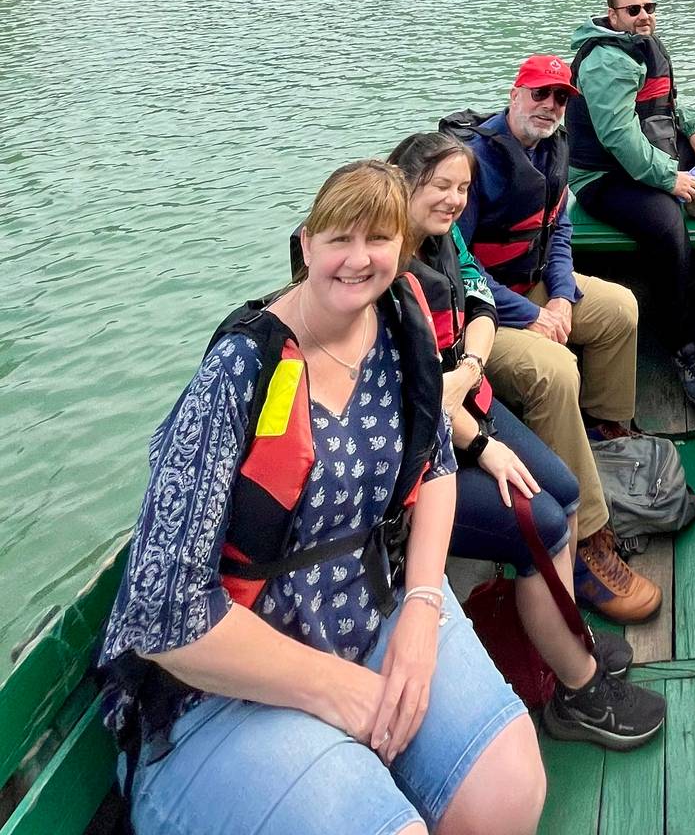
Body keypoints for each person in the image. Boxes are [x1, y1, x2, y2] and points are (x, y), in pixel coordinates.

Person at [98, 160, 546, 835]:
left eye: (379, 240)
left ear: (402, 249)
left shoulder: (400, 330)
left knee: (510, 790)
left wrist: (423, 606)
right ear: (307, 244)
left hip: (372, 610)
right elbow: (163, 618)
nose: (358, 260)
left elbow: (436, 464)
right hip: (225, 685)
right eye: (340, 239)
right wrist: (344, 692)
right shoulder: (239, 373)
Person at [388, 132, 665, 750]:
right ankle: (578, 691)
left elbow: (479, 299)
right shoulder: (386, 266)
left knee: (563, 492)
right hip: (423, 448)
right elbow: (415, 397)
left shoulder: (444, 239)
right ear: (402, 184)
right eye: (441, 187)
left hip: (466, 401)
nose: (455, 199)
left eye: (462, 188)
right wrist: (478, 442)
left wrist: (469, 369)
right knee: (541, 527)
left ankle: (563, 635)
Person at [439, 57, 663, 626]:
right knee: (555, 369)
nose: (550, 107)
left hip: (532, 285)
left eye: (561, 99)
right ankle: (586, 536)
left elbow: (557, 232)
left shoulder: (550, 151)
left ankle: (605, 434)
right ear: (514, 94)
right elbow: (459, 270)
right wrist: (529, 315)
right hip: (480, 313)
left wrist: (560, 297)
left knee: (619, 309)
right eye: (539, 94)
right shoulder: (472, 165)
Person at [568, 0, 695, 408]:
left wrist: (694, 127)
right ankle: (680, 341)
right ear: (613, 16)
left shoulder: (643, 46)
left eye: (649, 7)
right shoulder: (605, 61)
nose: (644, 15)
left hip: (650, 154)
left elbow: (666, 100)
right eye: (633, 10)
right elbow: (618, 136)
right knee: (668, 228)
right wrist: (669, 178)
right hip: (604, 177)